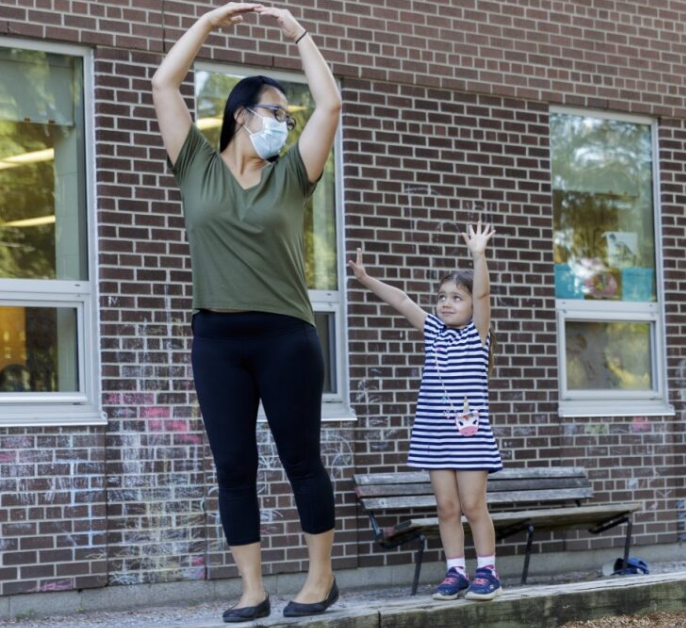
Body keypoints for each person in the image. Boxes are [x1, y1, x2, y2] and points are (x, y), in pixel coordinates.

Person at [151, 2, 341, 622]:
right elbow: (163, 83)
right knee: (234, 466)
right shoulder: (197, 166)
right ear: (241, 115)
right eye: (275, 113)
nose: (285, 124)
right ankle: (252, 590)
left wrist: (298, 32)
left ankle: (320, 580)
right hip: (217, 338)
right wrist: (206, 25)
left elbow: (331, 103)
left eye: (289, 116)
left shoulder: (293, 175)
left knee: (301, 460)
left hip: (286, 336)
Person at [348, 221, 505, 601]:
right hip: (435, 435)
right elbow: (402, 301)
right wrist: (367, 280)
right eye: (442, 296)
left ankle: (488, 571)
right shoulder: (434, 330)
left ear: (470, 306)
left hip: (469, 436)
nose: (446, 302)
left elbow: (483, 296)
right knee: (447, 507)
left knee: (472, 504)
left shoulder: (476, 335)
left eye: (456, 297)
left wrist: (478, 255)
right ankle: (456, 572)